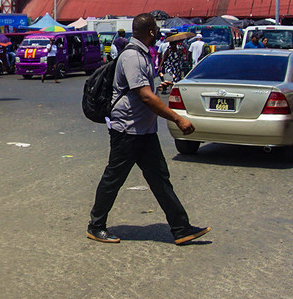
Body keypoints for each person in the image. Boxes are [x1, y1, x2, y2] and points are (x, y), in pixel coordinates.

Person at [87, 13, 210, 246]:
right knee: (114, 178)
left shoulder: (141, 54)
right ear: (151, 32)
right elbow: (144, 95)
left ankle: (181, 228)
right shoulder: (132, 56)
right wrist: (177, 119)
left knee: (160, 179)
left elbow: (144, 89)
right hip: (128, 131)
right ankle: (96, 225)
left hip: (143, 130)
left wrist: (159, 86)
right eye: (156, 31)